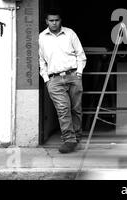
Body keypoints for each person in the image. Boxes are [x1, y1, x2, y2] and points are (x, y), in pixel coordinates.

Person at [39, 9, 87, 153]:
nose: (54, 23)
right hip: (54, 79)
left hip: (73, 76)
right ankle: (69, 139)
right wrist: (46, 79)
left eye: (56, 20)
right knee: (63, 109)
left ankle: (76, 136)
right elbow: (41, 60)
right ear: (46, 21)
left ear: (61, 21)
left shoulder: (70, 33)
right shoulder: (41, 37)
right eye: (51, 20)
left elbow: (80, 54)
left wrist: (79, 73)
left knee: (76, 109)